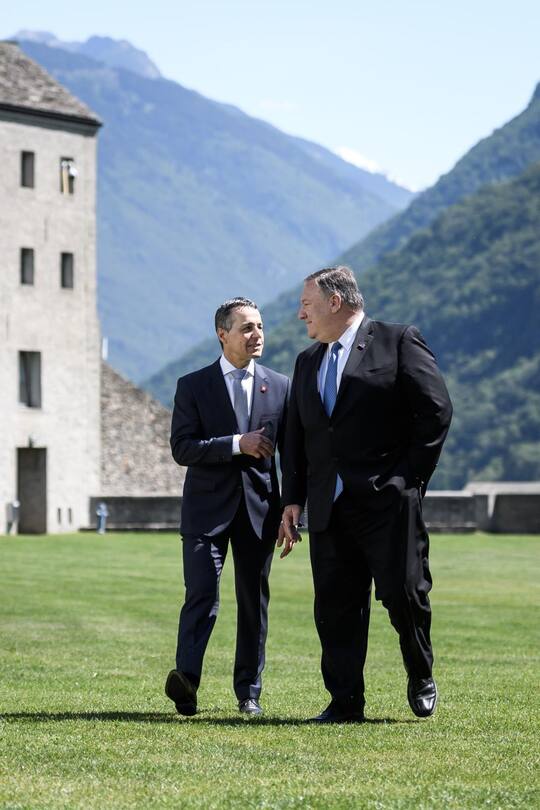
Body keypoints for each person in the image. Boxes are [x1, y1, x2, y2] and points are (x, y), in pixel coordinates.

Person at [278, 266, 452, 723]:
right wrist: (293, 498)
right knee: (334, 607)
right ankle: (345, 702)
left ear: (335, 302)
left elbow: (435, 411)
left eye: (307, 305)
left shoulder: (397, 341)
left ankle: (421, 673)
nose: (300, 314)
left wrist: (408, 480)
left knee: (404, 596)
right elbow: (295, 437)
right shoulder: (306, 361)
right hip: (328, 506)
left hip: (388, 502)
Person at [165, 297, 289, 717]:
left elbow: (295, 456)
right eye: (246, 328)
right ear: (223, 334)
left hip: (260, 513)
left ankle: (249, 693)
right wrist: (238, 444)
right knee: (201, 594)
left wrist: (294, 510)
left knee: (254, 602)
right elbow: (182, 448)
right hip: (205, 514)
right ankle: (187, 682)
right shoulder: (193, 386)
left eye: (259, 327)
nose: (257, 336)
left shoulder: (281, 386)